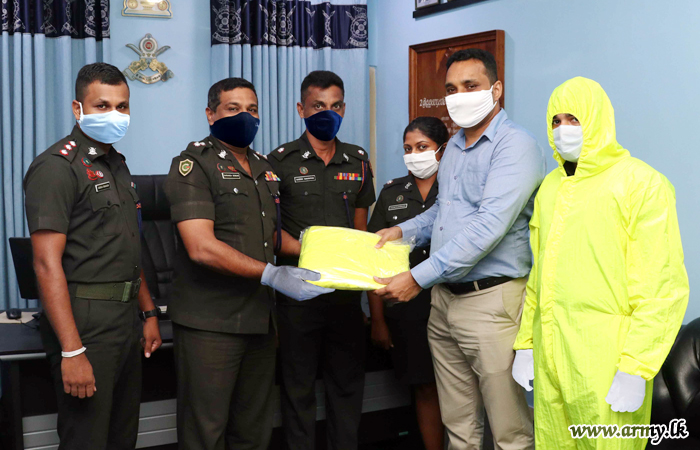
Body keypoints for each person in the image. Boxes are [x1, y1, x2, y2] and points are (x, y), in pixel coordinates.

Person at [374, 49, 545, 450]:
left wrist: (417, 277)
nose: (460, 96)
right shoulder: (452, 148)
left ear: (496, 89)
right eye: (451, 89)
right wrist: (400, 231)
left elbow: (488, 227)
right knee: (459, 427)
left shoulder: (515, 146)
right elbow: (442, 212)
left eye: (471, 86)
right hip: (445, 302)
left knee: (509, 431)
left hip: (491, 302)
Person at [511, 77, 689, 450]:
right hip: (550, 354)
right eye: (555, 121)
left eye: (573, 119)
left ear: (598, 120)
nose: (563, 130)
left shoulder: (641, 183)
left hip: (608, 360)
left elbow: (662, 287)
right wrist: (526, 343)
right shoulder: (550, 188)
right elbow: (539, 275)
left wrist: (636, 368)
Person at [163, 77, 331, 450]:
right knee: (206, 432)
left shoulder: (264, 166)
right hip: (211, 322)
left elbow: (272, 238)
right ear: (211, 114)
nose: (245, 116)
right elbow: (201, 247)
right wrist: (272, 273)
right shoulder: (193, 164)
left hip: (259, 319)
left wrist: (326, 252)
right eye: (233, 108)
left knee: (253, 431)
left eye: (252, 109)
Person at [23, 62, 163, 450]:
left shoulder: (116, 164)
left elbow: (126, 247)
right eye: (102, 105)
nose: (114, 115)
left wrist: (148, 313)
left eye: (122, 106)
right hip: (84, 319)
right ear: (77, 108)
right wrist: (72, 350)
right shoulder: (57, 168)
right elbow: (46, 263)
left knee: (121, 435)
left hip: (125, 318)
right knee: (86, 437)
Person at [268, 70, 376, 450]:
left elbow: (361, 233)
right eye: (318, 106)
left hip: (346, 297)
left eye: (335, 106)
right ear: (301, 109)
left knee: (347, 388)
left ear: (344, 108)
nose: (327, 112)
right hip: (299, 296)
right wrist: (318, 251)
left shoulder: (358, 160)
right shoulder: (279, 161)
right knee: (297, 390)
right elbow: (270, 233)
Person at [367, 116, 447, 450]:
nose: (414, 154)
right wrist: (379, 321)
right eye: (407, 149)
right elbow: (373, 260)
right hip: (407, 309)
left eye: (422, 147)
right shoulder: (392, 192)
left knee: (458, 388)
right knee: (424, 388)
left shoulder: (457, 188)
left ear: (442, 150)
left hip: (449, 300)